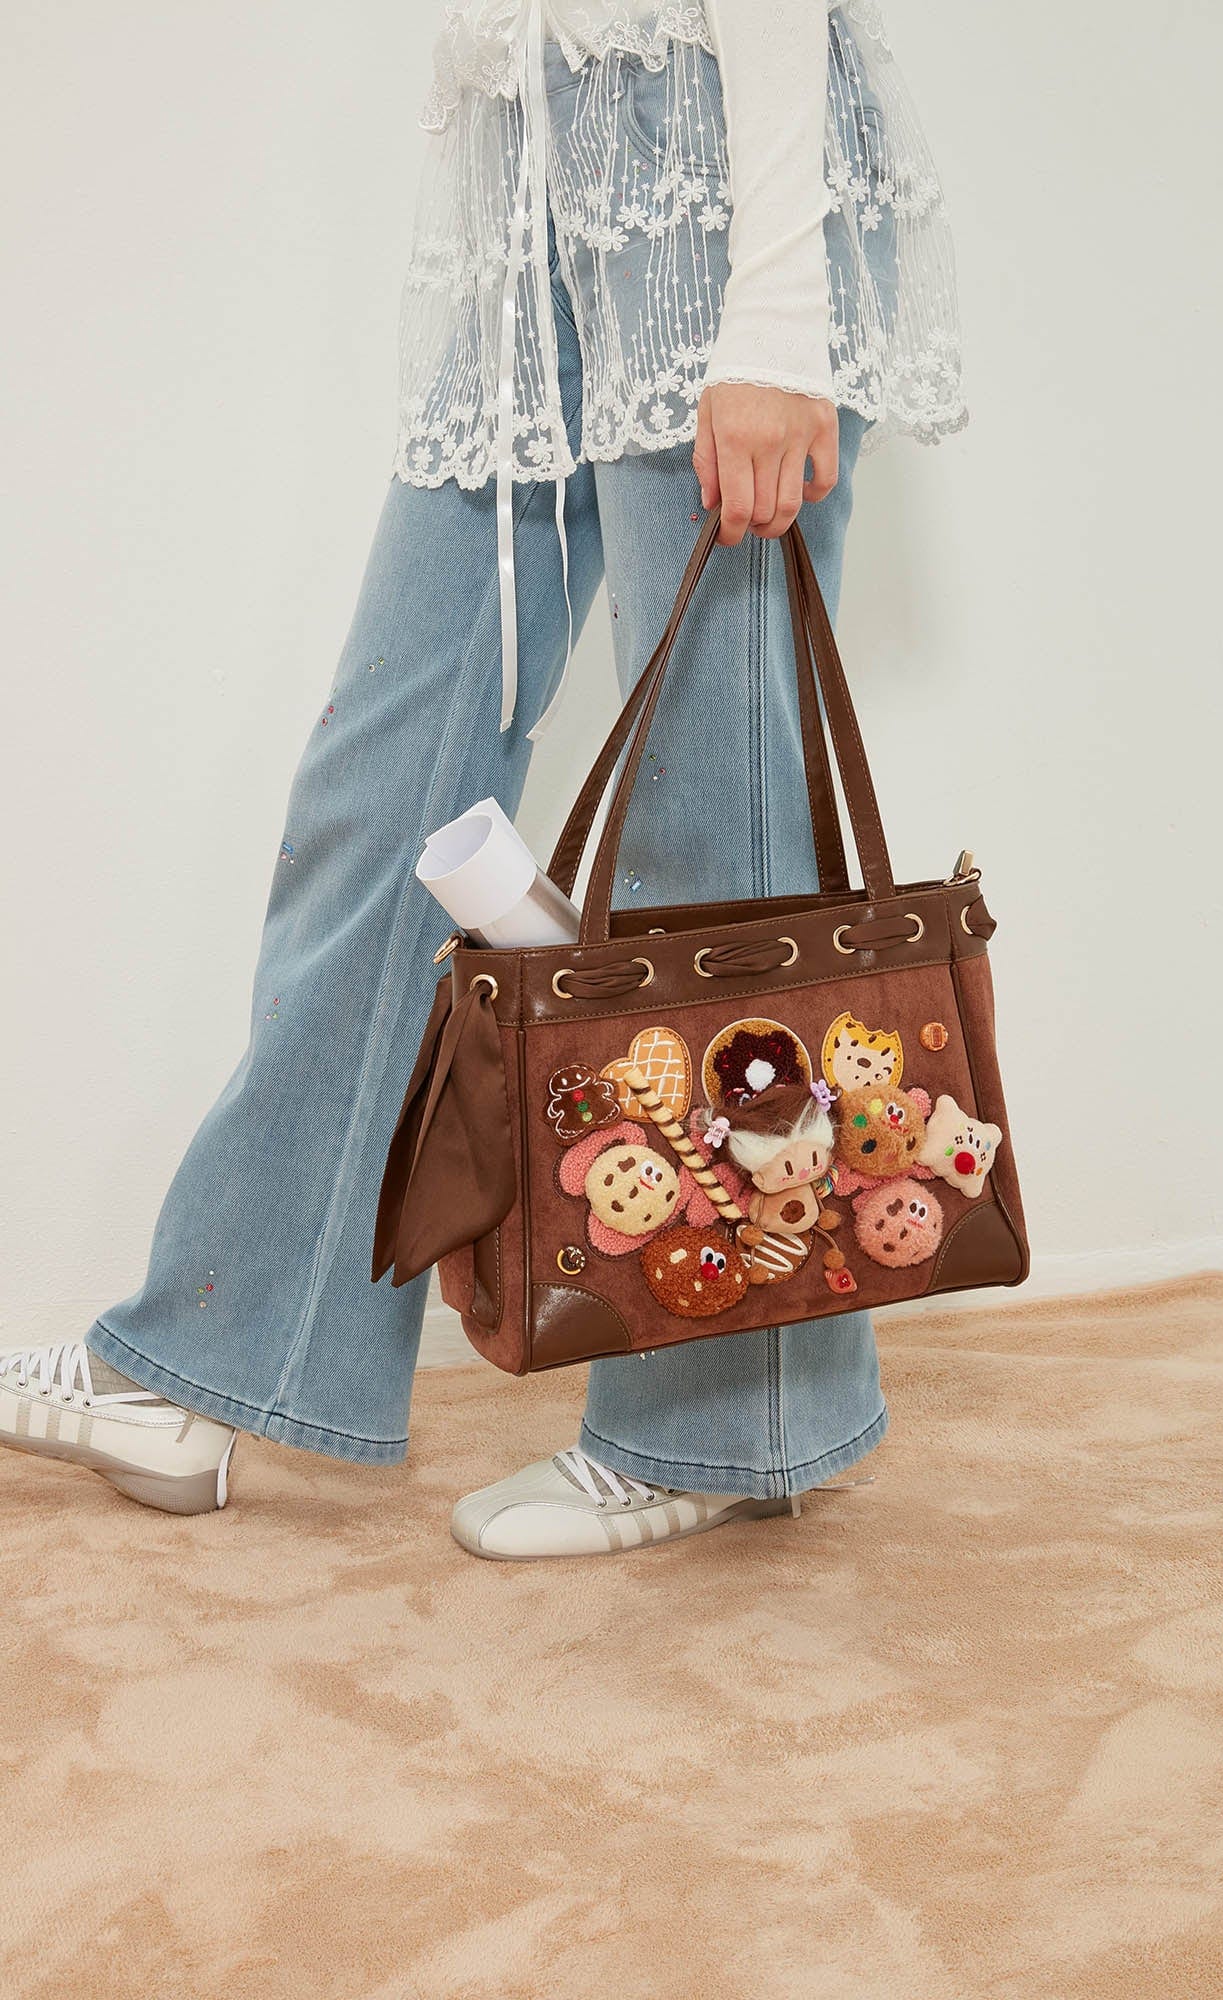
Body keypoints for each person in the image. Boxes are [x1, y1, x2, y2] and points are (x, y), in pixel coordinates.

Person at [0, 0, 963, 1556]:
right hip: (534, 168)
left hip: (702, 158)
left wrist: (776, 311)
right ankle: (223, 1352)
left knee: (714, 818)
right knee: (386, 790)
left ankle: (727, 1427)